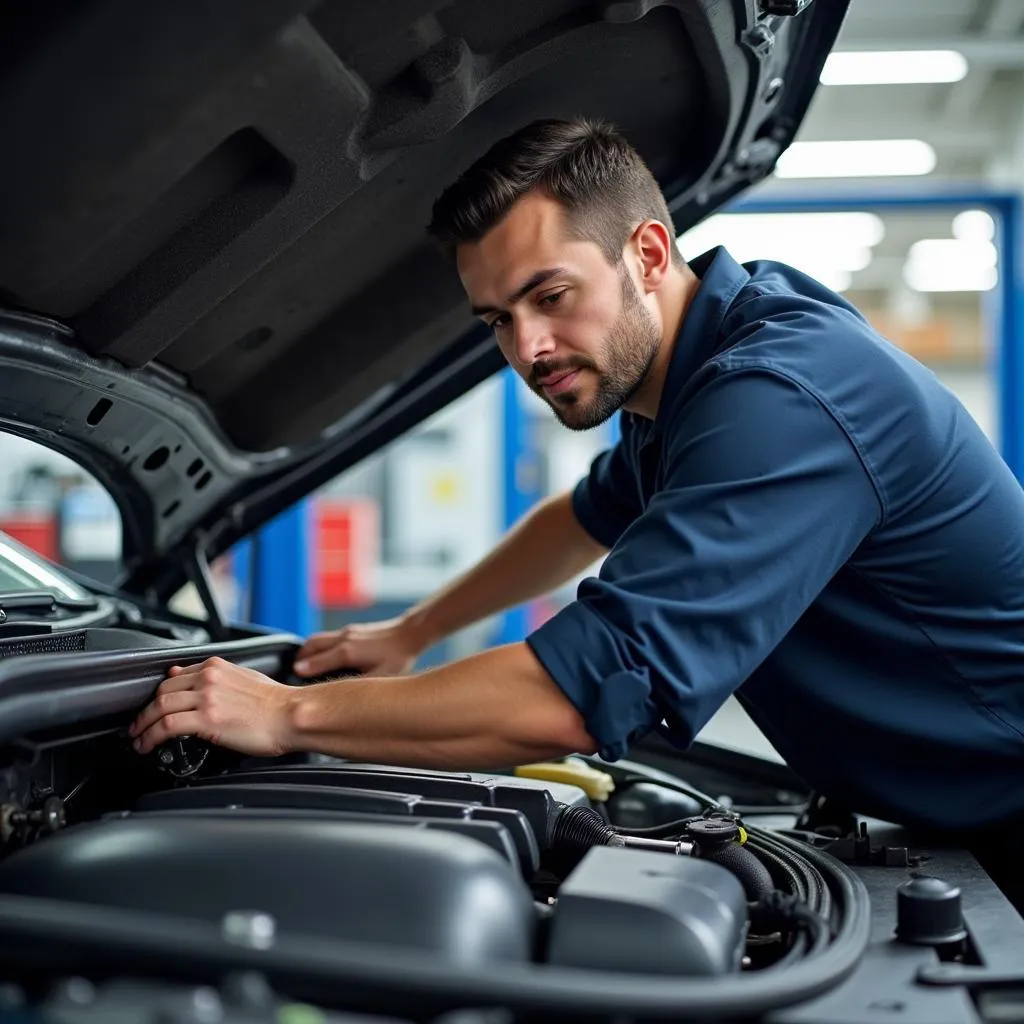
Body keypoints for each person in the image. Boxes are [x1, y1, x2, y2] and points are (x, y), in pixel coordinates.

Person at [130, 118, 1024, 844]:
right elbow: (584, 517)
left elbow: (577, 698)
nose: (528, 349)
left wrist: (289, 717)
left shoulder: (782, 399)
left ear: (645, 252)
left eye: (550, 297)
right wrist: (414, 630)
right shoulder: (693, 372)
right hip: (934, 813)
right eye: (497, 319)